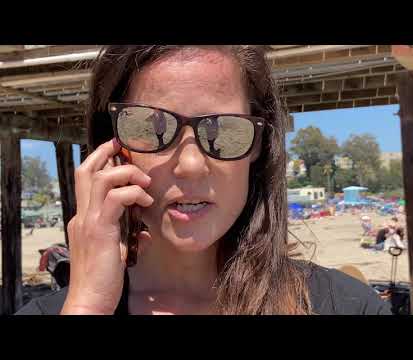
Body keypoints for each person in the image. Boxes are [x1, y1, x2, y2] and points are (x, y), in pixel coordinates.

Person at [16, 45, 390, 315]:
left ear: (260, 146)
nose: (191, 165)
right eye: (151, 126)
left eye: (225, 131)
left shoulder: (347, 306)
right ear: (109, 146)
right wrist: (87, 305)